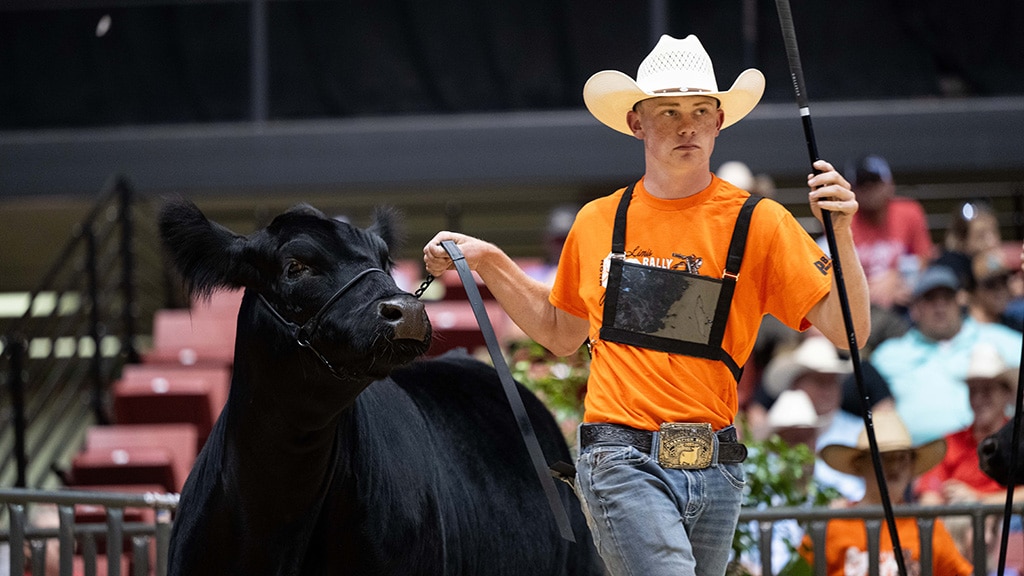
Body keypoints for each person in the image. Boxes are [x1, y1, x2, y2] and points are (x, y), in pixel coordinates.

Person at [423, 33, 870, 576]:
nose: (688, 125)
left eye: (702, 110)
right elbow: (563, 332)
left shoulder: (761, 222)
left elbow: (851, 333)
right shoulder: (597, 222)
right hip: (621, 459)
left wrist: (841, 232)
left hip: (717, 466)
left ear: (719, 122)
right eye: (670, 111)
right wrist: (490, 260)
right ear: (637, 122)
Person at [799, 409, 973, 576]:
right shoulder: (833, 525)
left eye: (902, 458)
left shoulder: (927, 527)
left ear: (912, 467)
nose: (895, 466)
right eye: (883, 457)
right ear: (861, 465)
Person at [870, 264, 1022, 444]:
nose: (940, 306)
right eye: (930, 299)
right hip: (919, 460)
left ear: (960, 301)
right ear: (915, 308)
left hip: (995, 452)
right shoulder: (890, 354)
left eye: (947, 297)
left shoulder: (1001, 339)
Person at [916, 342, 1023, 562]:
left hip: (1010, 528)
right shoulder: (949, 443)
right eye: (973, 391)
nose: (978, 399)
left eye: (987, 390)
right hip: (957, 531)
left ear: (1006, 394)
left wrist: (979, 501)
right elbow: (929, 500)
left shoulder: (1020, 440)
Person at [759, 335, 866, 501]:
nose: (828, 390)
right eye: (819, 381)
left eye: (833, 381)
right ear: (796, 383)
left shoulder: (861, 432)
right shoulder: (775, 432)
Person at [842, 154, 935, 311]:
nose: (870, 190)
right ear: (853, 190)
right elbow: (838, 272)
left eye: (875, 183)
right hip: (860, 302)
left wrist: (896, 277)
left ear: (890, 184)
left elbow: (924, 257)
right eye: (863, 184)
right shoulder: (843, 220)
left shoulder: (909, 211)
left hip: (903, 297)